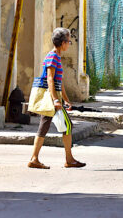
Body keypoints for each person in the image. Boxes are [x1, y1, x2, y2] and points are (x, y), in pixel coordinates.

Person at [28, 28, 85, 169]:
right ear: (63, 42)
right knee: (66, 125)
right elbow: (50, 79)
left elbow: (60, 83)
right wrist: (55, 99)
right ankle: (68, 159)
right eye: (69, 41)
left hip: (56, 95)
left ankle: (35, 158)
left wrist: (66, 100)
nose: (69, 44)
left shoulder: (57, 57)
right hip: (51, 96)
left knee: (46, 125)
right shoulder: (52, 56)